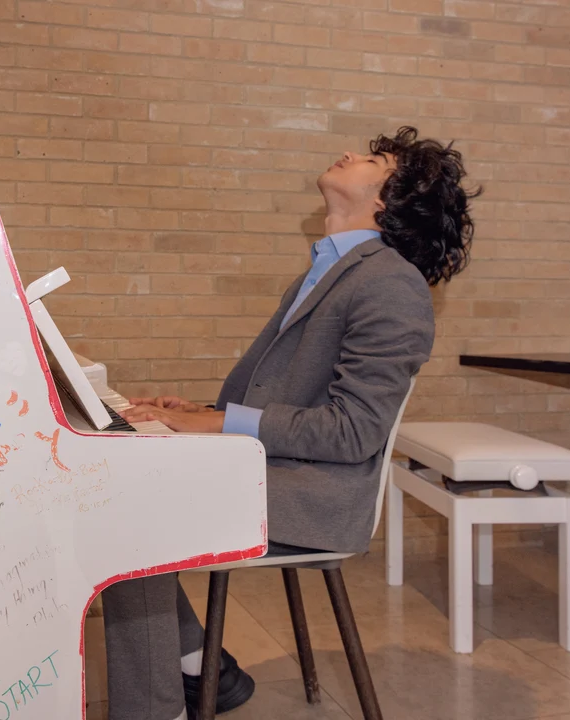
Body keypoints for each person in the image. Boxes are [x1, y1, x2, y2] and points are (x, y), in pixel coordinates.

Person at [104, 126, 481, 720]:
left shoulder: (392, 285)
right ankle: (203, 668)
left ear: (390, 199)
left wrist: (223, 421)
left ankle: (167, 701)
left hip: (318, 496)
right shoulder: (326, 274)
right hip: (272, 470)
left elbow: (354, 431)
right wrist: (200, 415)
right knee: (115, 489)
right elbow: (281, 399)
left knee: (127, 509)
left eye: (376, 159)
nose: (351, 153)